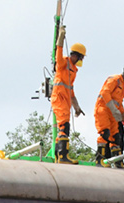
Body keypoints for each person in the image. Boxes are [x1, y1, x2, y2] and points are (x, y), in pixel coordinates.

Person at [51, 26, 86, 164]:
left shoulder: (74, 71)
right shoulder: (63, 63)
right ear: (76, 55)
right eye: (80, 57)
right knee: (64, 126)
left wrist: (77, 107)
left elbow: (71, 91)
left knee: (63, 128)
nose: (80, 60)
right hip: (59, 98)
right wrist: (60, 37)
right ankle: (63, 156)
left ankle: (59, 157)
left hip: (65, 99)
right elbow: (58, 52)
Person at [94, 64, 124, 164]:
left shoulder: (123, 86)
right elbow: (105, 93)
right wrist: (114, 109)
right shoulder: (115, 79)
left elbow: (119, 104)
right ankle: (99, 160)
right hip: (103, 110)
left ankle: (117, 161)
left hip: (113, 114)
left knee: (116, 137)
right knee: (104, 133)